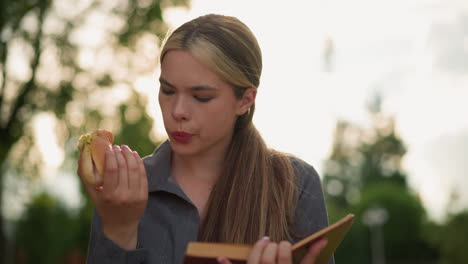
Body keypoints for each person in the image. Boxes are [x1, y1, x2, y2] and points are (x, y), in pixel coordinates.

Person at [78, 14, 332, 264]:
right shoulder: (123, 189)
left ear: (245, 100)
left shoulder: (295, 184)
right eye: (167, 90)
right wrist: (120, 229)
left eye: (201, 96)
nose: (178, 111)